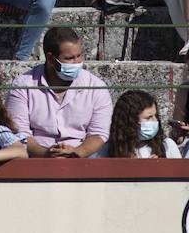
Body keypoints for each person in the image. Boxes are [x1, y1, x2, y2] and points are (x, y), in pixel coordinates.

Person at [6, 26, 112, 158]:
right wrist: (45, 153)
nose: (77, 62)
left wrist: (76, 153)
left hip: (83, 156)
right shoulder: (22, 86)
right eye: (69, 58)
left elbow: (99, 134)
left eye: (79, 56)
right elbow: (19, 133)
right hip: (35, 158)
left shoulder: (96, 87)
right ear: (50, 59)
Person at [98, 90, 179, 158]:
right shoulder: (106, 150)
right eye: (148, 117)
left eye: (156, 116)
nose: (155, 121)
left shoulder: (167, 146)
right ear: (130, 121)